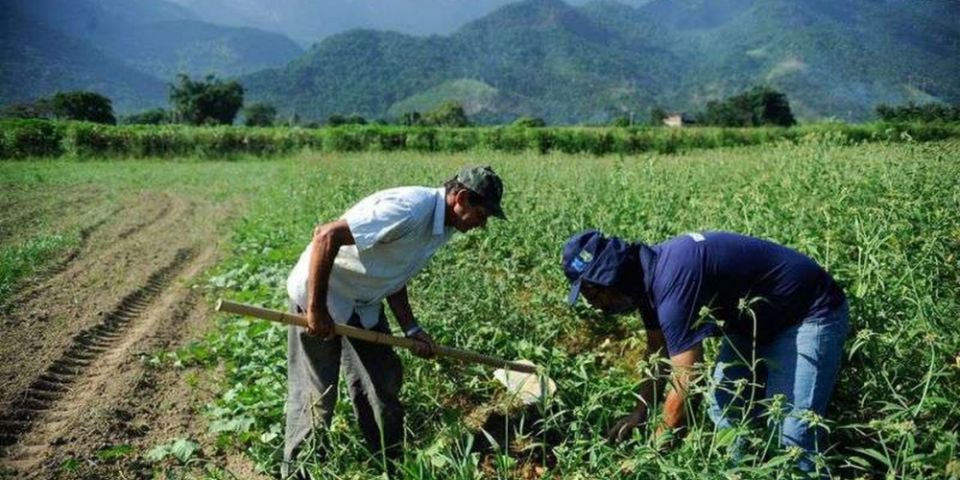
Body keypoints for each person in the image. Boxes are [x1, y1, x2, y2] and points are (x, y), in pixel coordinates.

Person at [562, 230, 848, 474]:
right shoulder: (645, 281)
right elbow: (657, 352)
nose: (594, 305)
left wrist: (650, 455)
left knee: (792, 433)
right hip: (753, 321)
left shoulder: (672, 283)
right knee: (725, 407)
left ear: (609, 278)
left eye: (591, 294)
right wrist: (640, 412)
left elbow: (687, 381)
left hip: (808, 312)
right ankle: (739, 473)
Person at [283, 166, 505, 478]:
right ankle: (297, 472)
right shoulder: (409, 209)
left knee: (382, 382)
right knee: (317, 396)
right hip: (321, 294)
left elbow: (395, 272)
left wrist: (412, 328)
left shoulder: (443, 227)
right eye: (482, 214)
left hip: (363, 302)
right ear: (463, 198)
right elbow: (326, 235)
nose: (482, 225)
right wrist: (315, 310)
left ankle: (388, 466)